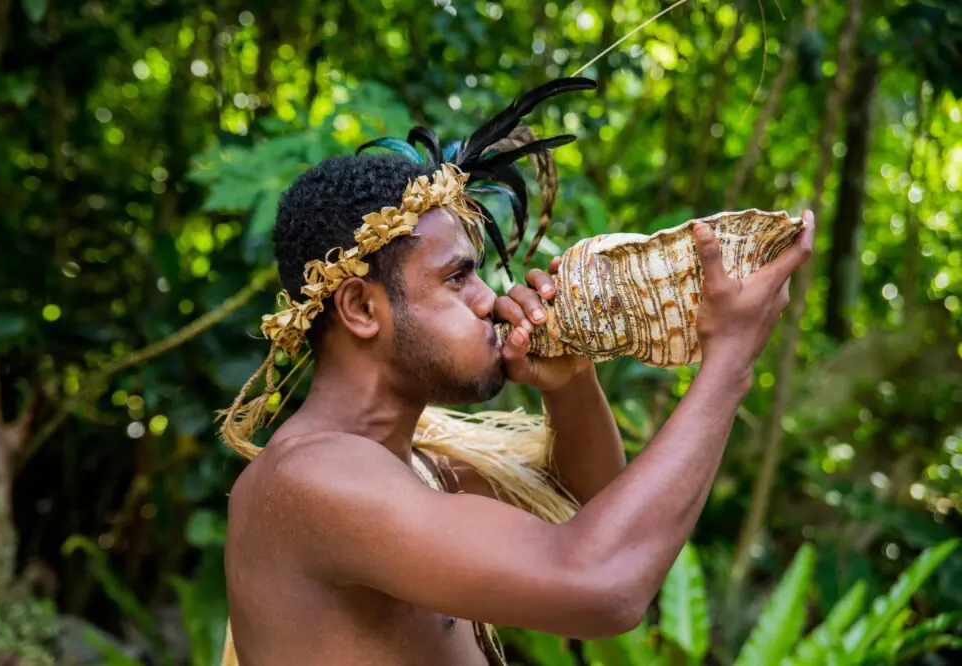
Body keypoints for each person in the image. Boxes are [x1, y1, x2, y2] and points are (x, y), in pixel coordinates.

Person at [217, 77, 816, 665]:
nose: (489, 298)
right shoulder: (312, 480)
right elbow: (604, 584)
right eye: (457, 277)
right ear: (361, 308)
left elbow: (592, 515)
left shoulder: (413, 467)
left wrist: (573, 385)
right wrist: (730, 361)